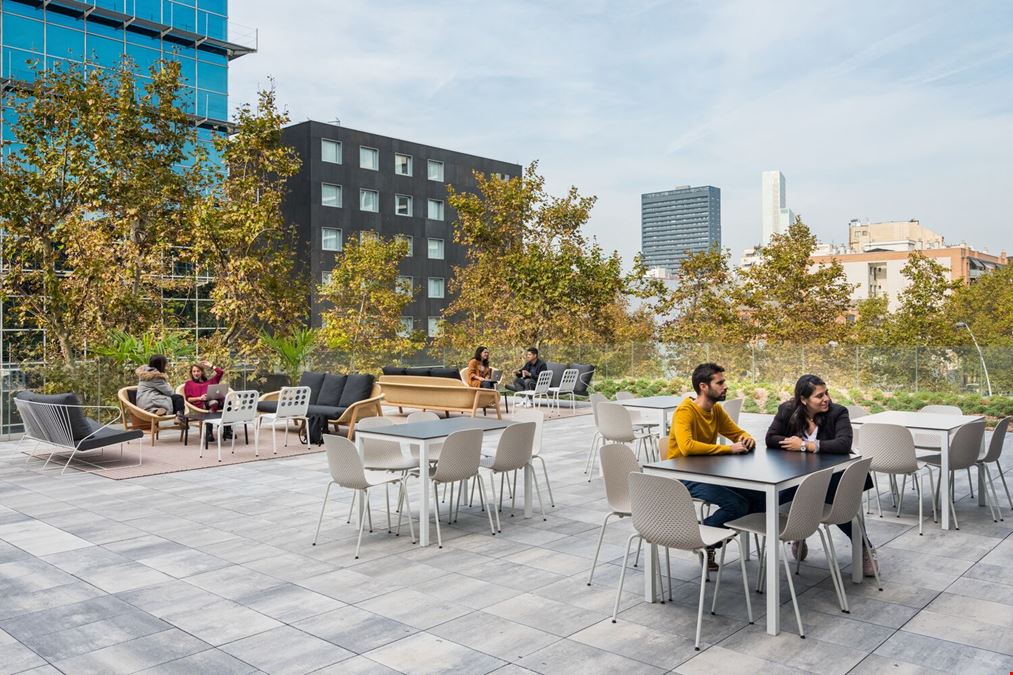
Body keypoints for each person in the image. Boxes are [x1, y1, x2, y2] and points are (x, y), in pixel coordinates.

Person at [766, 374, 878, 576]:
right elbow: (771, 438)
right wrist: (791, 443)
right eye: (819, 396)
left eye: (826, 393)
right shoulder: (787, 410)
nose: (826, 398)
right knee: (775, 500)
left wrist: (804, 445)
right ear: (803, 399)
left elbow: (843, 444)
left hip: (836, 475)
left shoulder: (838, 412)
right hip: (798, 474)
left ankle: (864, 548)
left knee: (836, 507)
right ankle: (798, 531)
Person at [668, 363, 758, 570]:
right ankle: (702, 536)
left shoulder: (715, 409)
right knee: (737, 505)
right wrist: (729, 450)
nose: (725, 386)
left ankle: (708, 539)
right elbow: (687, 447)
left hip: (709, 473)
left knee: (755, 499)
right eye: (720, 382)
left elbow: (737, 433)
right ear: (703, 386)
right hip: (683, 475)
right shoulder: (685, 411)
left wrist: (747, 438)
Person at [135, 355, 185, 421]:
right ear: (161, 365)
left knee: (173, 399)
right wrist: (167, 383)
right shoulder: (156, 377)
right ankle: (179, 417)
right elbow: (170, 392)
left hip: (141, 402)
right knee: (178, 398)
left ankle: (158, 410)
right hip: (151, 403)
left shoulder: (145, 373)